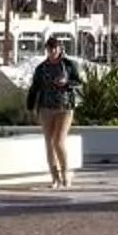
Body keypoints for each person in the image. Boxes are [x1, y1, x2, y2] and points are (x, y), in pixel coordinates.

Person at [26, 36, 81, 189]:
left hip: (65, 107)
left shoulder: (68, 65)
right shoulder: (41, 68)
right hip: (46, 108)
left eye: (55, 48)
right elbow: (34, 88)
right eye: (50, 49)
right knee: (49, 143)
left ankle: (65, 174)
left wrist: (67, 83)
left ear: (60, 49)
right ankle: (55, 178)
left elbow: (78, 83)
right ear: (47, 50)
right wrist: (30, 107)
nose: (53, 51)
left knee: (58, 141)